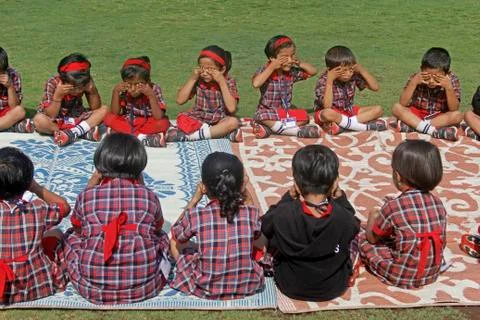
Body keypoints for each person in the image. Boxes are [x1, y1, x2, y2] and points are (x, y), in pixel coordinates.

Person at [62, 133, 170, 304]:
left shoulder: (87, 196)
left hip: (91, 287)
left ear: (100, 165)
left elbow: (78, 227)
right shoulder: (149, 197)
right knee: (162, 236)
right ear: (139, 166)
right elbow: (157, 227)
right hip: (145, 286)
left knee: (70, 236)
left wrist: (91, 184)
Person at [260, 145, 360, 301]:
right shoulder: (344, 217)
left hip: (290, 284)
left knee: (273, 238)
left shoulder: (283, 214)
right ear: (334, 183)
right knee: (352, 240)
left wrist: (287, 197)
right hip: (333, 286)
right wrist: (340, 198)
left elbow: (265, 224)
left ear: (297, 185)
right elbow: (353, 226)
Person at [170, 152, 264, 299]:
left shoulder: (197, 215)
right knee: (257, 238)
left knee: (174, 242)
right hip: (247, 284)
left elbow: (176, 232)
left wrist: (194, 200)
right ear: (240, 185)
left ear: (204, 187)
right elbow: (258, 233)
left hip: (206, 287)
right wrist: (243, 191)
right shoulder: (250, 213)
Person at [358, 140, 447, 288]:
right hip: (432, 272)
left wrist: (372, 216)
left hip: (401, 275)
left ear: (398, 176)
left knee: (362, 237)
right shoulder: (438, 203)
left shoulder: (394, 206)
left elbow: (372, 238)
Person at [0, 147, 70, 303]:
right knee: (57, 234)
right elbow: (64, 206)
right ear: (27, 183)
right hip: (36, 284)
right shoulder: (38, 208)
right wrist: (37, 188)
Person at [251, 35, 320, 139]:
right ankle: (296, 132)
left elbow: (313, 72)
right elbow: (256, 83)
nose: (289, 60)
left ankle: (271, 129)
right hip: (268, 112)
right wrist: (272, 67)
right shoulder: (265, 71)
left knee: (304, 117)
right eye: (285, 57)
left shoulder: (291, 72)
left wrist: (299, 63)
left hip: (284, 114)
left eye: (292, 56)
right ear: (272, 58)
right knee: (260, 116)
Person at [33, 53, 108, 146]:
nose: (78, 91)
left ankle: (71, 133)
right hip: (56, 121)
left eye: (81, 87)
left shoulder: (85, 81)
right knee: (39, 120)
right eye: (73, 87)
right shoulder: (52, 83)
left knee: (105, 110)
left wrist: (92, 91)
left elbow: (96, 108)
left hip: (77, 118)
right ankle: (82, 132)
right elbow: (51, 115)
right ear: (63, 80)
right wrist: (58, 96)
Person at [171, 45, 242, 143]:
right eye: (202, 68)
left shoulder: (228, 81)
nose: (204, 73)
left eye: (210, 69)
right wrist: (193, 78)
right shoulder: (198, 79)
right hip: (200, 118)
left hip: (220, 119)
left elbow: (232, 108)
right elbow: (180, 100)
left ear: (222, 70)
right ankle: (218, 134)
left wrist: (221, 82)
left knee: (233, 122)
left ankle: (191, 137)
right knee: (182, 118)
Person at [391, 47, 462, 141]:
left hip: (438, 117)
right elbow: (403, 103)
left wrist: (448, 87)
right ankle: (432, 131)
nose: (431, 81)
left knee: (457, 116)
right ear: (421, 69)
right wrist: (414, 82)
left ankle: (414, 127)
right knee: (396, 108)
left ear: (447, 74)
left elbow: (454, 108)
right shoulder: (416, 77)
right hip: (416, 113)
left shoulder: (451, 80)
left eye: (437, 78)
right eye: (427, 77)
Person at [313, 45, 386, 134]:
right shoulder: (323, 80)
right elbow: (327, 106)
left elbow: (375, 88)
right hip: (330, 113)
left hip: (347, 111)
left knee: (378, 109)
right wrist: (330, 80)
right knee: (328, 113)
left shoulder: (353, 76)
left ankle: (343, 126)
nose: (348, 74)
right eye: (343, 71)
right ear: (330, 70)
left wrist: (362, 70)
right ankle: (364, 127)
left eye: (351, 69)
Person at [104, 56, 170, 147]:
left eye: (137, 84)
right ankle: (142, 137)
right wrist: (115, 92)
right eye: (130, 84)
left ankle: (124, 135)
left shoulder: (154, 89)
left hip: (149, 121)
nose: (133, 89)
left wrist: (150, 95)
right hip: (130, 121)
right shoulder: (124, 90)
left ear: (147, 82)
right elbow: (115, 112)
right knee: (109, 118)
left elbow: (158, 116)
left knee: (163, 123)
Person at [0, 47, 33, 133]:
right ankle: (12, 128)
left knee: (20, 111)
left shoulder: (13, 74)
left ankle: (7, 127)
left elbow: (14, 107)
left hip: (4, 114)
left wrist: (10, 86)